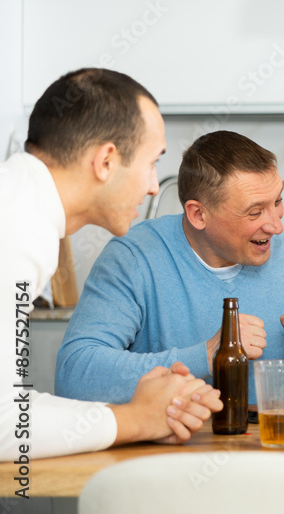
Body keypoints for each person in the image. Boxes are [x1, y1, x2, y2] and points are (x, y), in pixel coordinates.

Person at [0, 68, 222, 462]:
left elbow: (12, 406)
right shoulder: (18, 227)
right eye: (151, 163)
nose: (153, 186)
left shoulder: (23, 208)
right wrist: (135, 421)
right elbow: (4, 425)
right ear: (106, 161)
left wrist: (138, 414)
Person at [55, 130, 284, 404]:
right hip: (169, 445)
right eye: (255, 212)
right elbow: (74, 376)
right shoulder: (134, 258)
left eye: (277, 201)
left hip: (275, 441)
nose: (276, 226)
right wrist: (209, 355)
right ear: (198, 215)